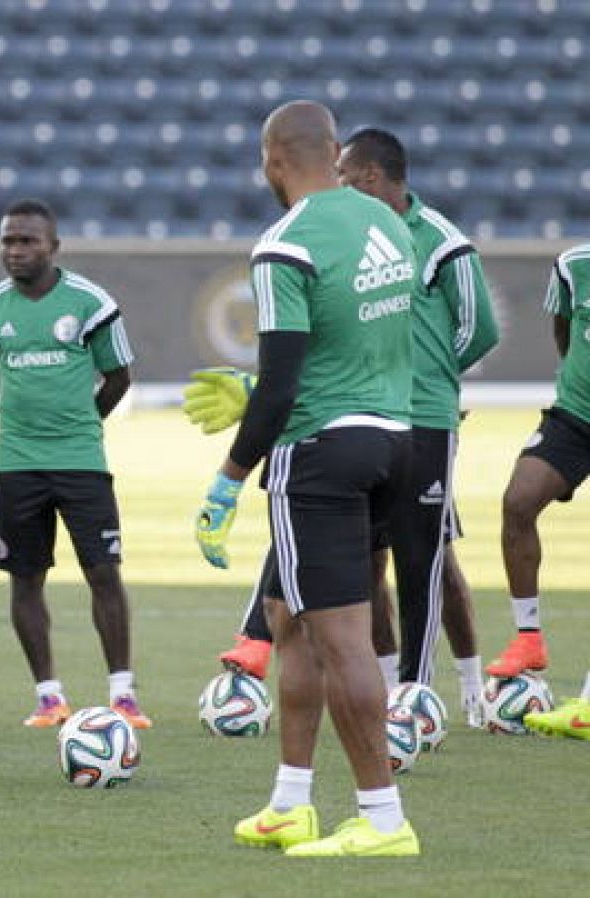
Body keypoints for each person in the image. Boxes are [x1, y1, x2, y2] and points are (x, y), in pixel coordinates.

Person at [192, 128, 500, 726]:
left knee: (402, 570)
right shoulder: (369, 227)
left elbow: (477, 330)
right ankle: (393, 705)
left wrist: (430, 379)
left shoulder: (412, 238)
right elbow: (345, 340)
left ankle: (412, 699)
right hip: (385, 426)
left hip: (379, 425)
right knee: (373, 565)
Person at [194, 101, 420, 856]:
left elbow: (285, 386)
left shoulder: (282, 245)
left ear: (272, 160)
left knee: (342, 641)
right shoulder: (387, 221)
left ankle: (383, 819)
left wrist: (227, 481)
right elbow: (356, 340)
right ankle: (291, 800)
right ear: (334, 150)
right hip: (395, 437)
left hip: (319, 451)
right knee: (285, 616)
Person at [0, 199, 150, 731]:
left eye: (27, 241)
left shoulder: (92, 304)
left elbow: (118, 377)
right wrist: (26, 427)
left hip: (81, 462)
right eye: (8, 241)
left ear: (54, 247)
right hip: (16, 464)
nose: (16, 250)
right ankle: (49, 697)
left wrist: (81, 425)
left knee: (103, 572)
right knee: (25, 579)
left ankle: (123, 695)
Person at [486, 229, 590, 729]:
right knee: (518, 502)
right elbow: (563, 334)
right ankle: (528, 637)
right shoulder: (574, 265)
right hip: (575, 416)